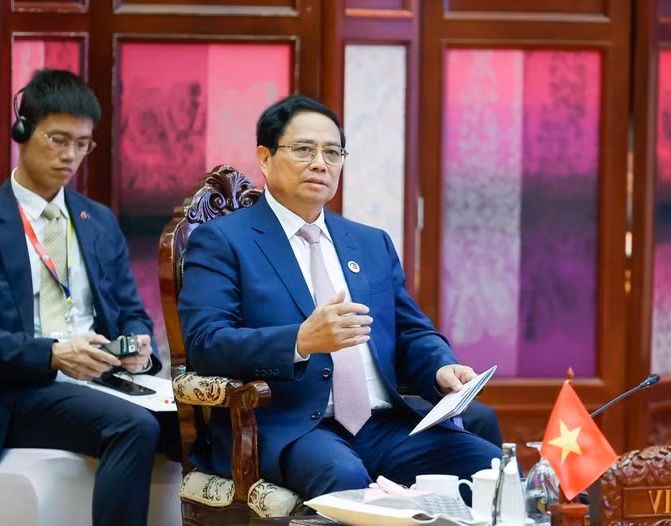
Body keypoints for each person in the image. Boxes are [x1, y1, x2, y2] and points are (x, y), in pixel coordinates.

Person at [178, 94, 502, 501]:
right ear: (264, 157)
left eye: (333, 152)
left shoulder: (369, 243)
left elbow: (411, 332)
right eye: (303, 150)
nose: (320, 163)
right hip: (291, 427)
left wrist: (441, 368)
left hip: (383, 424)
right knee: (344, 478)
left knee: (491, 469)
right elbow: (206, 344)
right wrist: (299, 341)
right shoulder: (224, 241)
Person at [0, 69, 175, 526]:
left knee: (207, 421)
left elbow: (132, 310)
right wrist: (52, 355)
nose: (70, 155)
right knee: (133, 427)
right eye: (58, 139)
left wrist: (136, 346)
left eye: (82, 143)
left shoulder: (97, 219)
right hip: (22, 386)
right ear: (23, 130)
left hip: (103, 377)